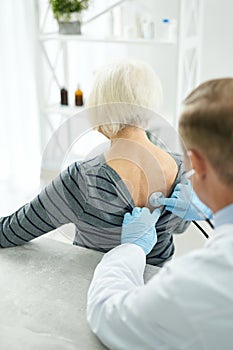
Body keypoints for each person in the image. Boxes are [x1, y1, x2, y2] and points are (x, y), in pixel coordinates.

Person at [87, 78, 233, 349]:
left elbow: (109, 314)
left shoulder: (203, 281)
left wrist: (130, 248)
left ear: (198, 164)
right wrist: (211, 211)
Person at [0, 59, 189, 266]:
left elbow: (10, 232)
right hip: (158, 287)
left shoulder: (82, 180)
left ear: (105, 110)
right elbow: (179, 227)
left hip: (94, 289)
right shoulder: (182, 169)